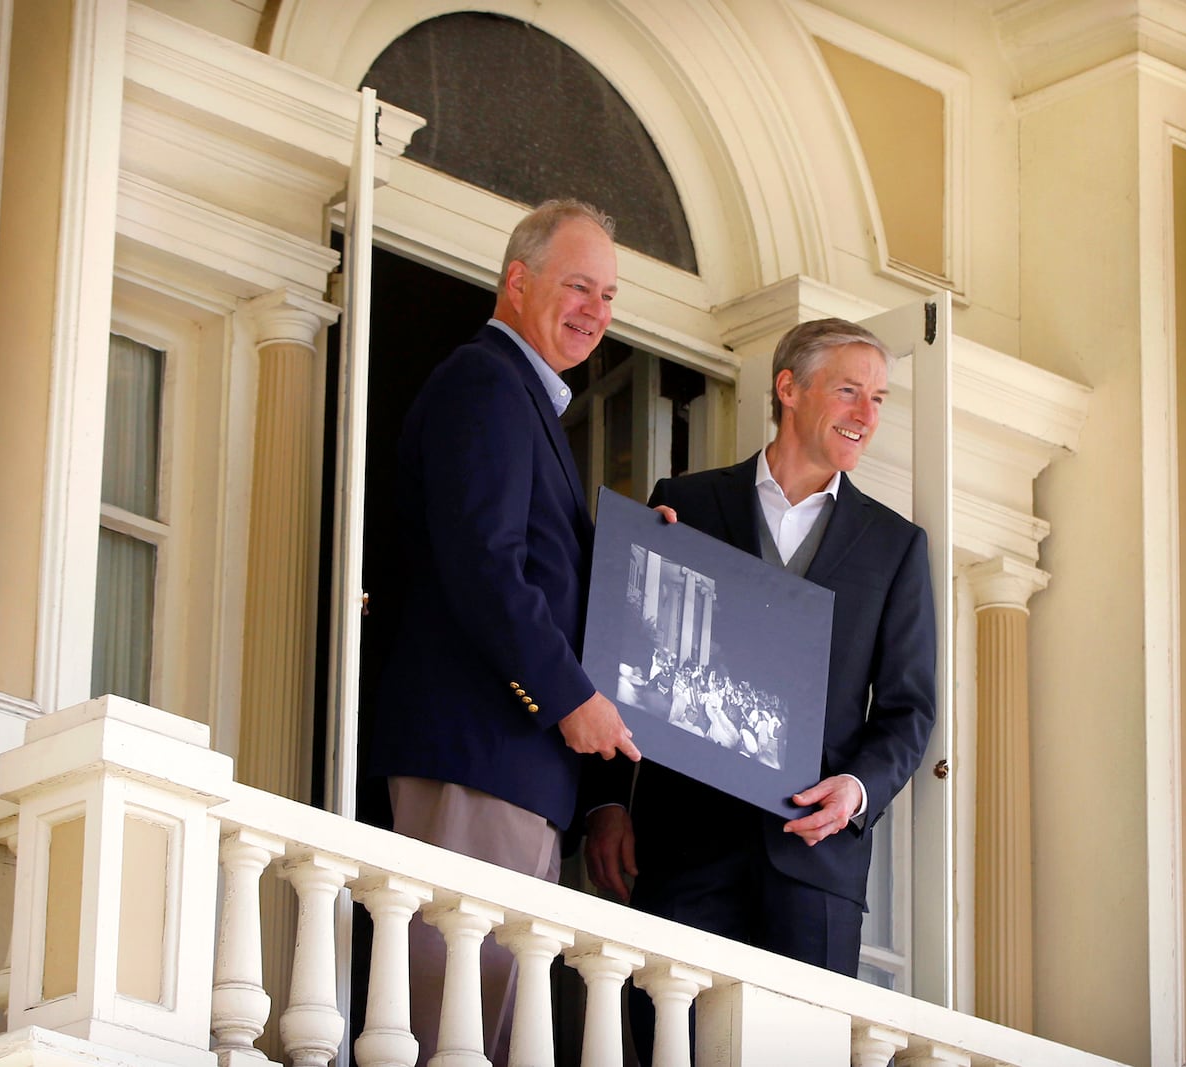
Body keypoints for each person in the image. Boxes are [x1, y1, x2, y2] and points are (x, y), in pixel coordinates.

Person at [584, 317, 936, 1056]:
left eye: (878, 398)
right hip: (681, 847)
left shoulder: (896, 546)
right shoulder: (685, 502)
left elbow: (908, 708)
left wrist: (857, 791)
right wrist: (609, 802)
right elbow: (628, 660)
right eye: (849, 391)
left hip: (815, 864)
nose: (867, 416)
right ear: (788, 388)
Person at [368, 199, 641, 1064]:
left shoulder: (527, 402)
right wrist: (570, 698)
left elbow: (548, 575)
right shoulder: (486, 382)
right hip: (478, 752)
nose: (595, 310)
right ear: (517, 282)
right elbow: (484, 565)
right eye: (577, 286)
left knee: (477, 1023)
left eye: (608, 295)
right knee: (447, 1019)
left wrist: (645, 557)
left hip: (514, 769)